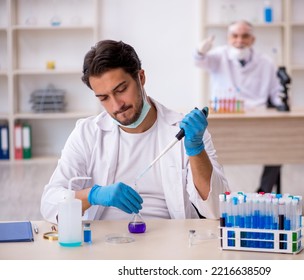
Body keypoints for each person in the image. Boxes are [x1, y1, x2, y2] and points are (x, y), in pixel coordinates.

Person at [41, 40, 230, 224]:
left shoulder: (187, 132)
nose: (116, 105)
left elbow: (216, 209)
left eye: (121, 89)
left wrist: (196, 150)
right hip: (103, 243)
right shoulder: (87, 133)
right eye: (104, 98)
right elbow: (49, 203)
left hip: (169, 243)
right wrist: (93, 195)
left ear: (141, 78)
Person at [194, 20, 282, 194]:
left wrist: (282, 103)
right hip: (225, 119)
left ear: (253, 39)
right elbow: (200, 61)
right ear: (228, 38)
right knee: (208, 152)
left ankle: (263, 192)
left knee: (278, 148)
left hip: (257, 119)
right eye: (235, 36)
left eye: (245, 36)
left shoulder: (266, 63)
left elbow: (276, 91)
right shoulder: (219, 56)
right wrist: (200, 51)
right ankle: (218, 194)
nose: (239, 40)